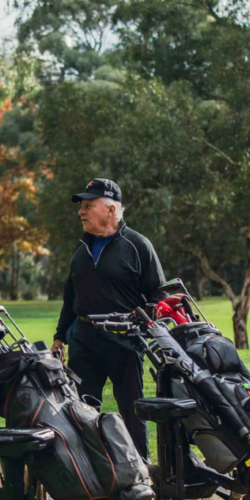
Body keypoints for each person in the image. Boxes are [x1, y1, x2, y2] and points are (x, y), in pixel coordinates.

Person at [52, 178, 165, 462]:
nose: (81, 212)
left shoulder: (137, 245)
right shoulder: (81, 251)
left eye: (88, 206)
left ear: (111, 210)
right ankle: (92, 473)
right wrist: (60, 336)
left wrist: (141, 320)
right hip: (84, 341)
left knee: (132, 409)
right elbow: (70, 299)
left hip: (124, 342)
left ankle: (142, 472)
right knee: (81, 410)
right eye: (81, 207)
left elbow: (158, 296)